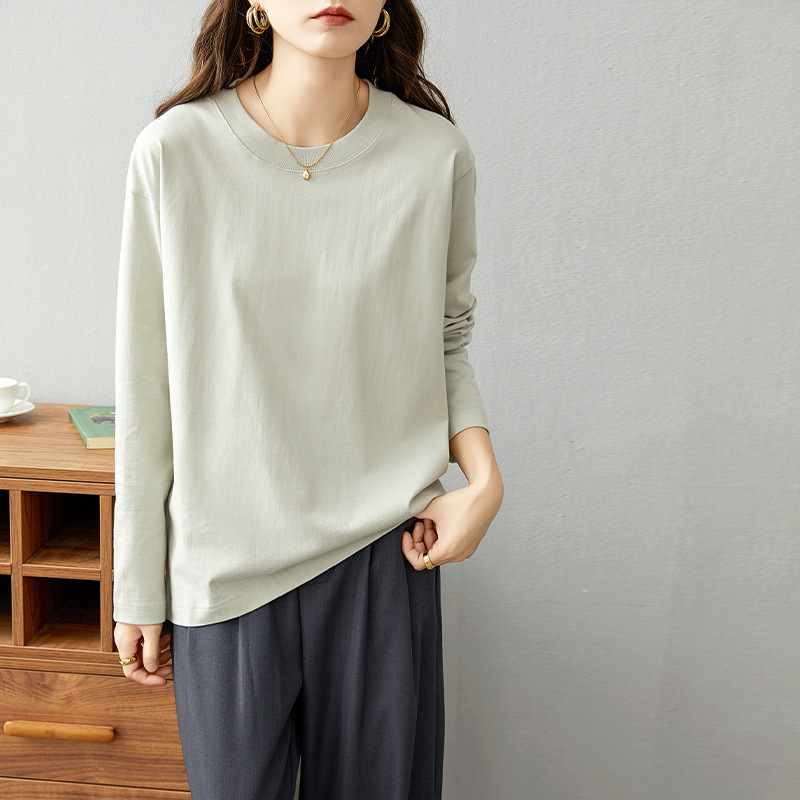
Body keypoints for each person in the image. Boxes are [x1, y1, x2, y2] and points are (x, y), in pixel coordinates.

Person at [112, 1, 503, 798]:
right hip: (224, 568)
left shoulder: (434, 155)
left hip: (384, 555)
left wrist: (485, 481)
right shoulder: (176, 152)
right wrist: (139, 587)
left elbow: (446, 339)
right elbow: (146, 386)